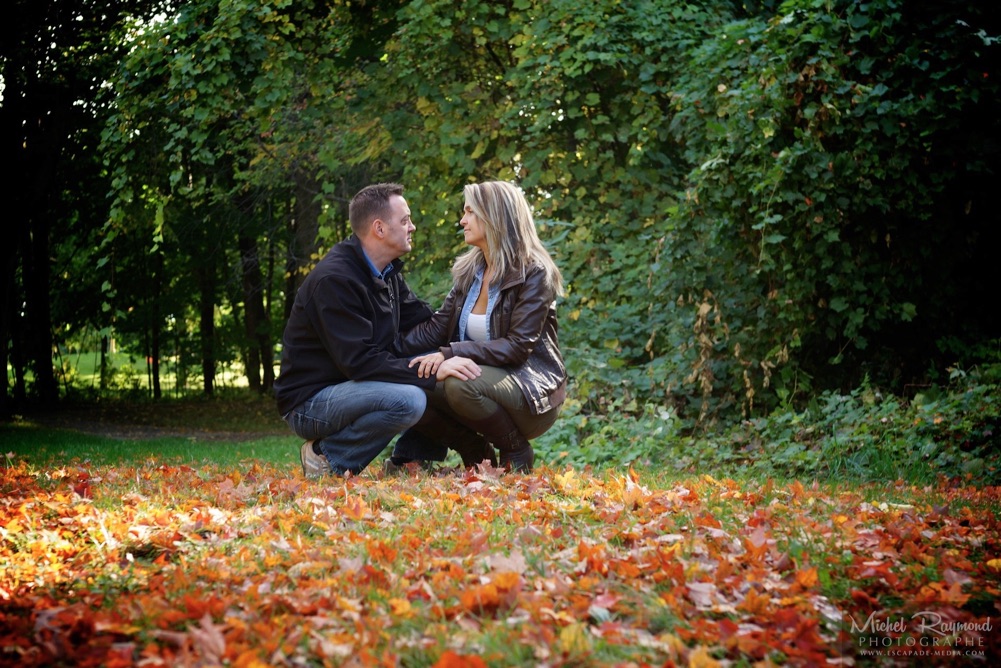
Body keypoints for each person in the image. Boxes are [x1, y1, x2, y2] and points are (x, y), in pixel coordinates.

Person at [274, 182, 482, 477]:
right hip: (310, 402)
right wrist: (435, 369)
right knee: (410, 398)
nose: (412, 227)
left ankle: (410, 462)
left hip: (352, 387)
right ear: (379, 229)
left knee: (438, 366)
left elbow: (425, 324)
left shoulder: (386, 272)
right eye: (405, 220)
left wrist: (466, 338)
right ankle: (326, 458)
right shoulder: (335, 280)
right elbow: (360, 362)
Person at [389, 180, 567, 473]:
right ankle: (474, 450)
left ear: (495, 216)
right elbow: (436, 328)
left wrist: (449, 354)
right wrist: (386, 352)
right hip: (486, 385)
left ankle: (516, 450)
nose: (462, 220)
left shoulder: (535, 273)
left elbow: (518, 346)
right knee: (411, 378)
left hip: (530, 391)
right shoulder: (470, 271)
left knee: (459, 382)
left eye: (470, 212)